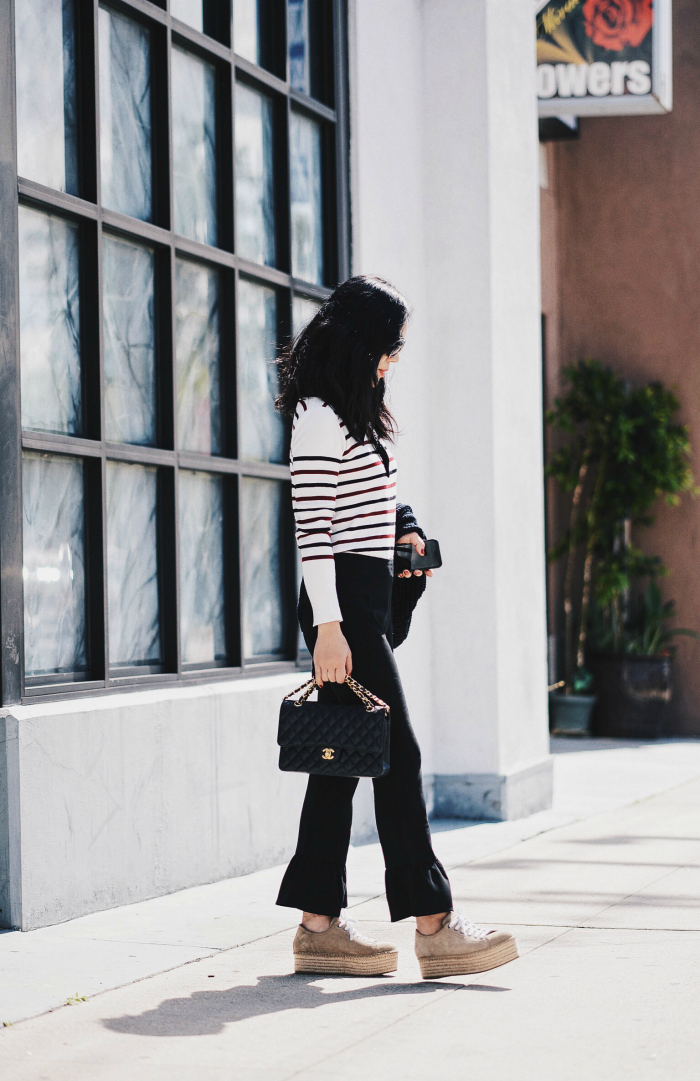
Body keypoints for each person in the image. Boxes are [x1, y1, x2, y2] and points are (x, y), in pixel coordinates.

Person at [275, 275, 518, 979]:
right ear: (359, 344)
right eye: (389, 348)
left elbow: (378, 502)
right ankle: (436, 926)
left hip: (361, 599)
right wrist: (328, 628)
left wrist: (406, 534)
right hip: (340, 607)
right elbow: (313, 534)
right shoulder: (318, 417)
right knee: (397, 754)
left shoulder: (353, 414)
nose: (393, 361)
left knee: (347, 755)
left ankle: (318, 925)